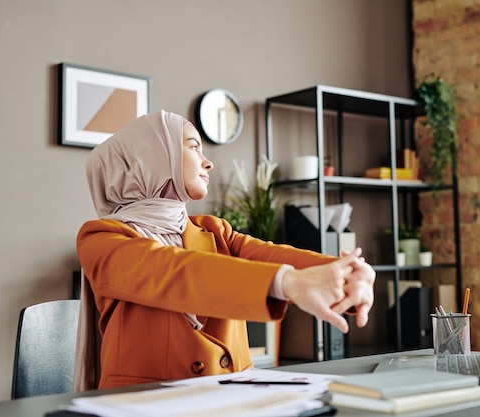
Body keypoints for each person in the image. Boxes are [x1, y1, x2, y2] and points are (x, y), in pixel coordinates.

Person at [76, 110, 375, 389]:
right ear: (150, 157)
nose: (208, 162)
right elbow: (173, 270)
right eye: (194, 147)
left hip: (234, 400)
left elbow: (275, 255)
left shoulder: (216, 231)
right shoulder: (101, 239)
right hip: (144, 405)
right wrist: (287, 283)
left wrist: (347, 274)